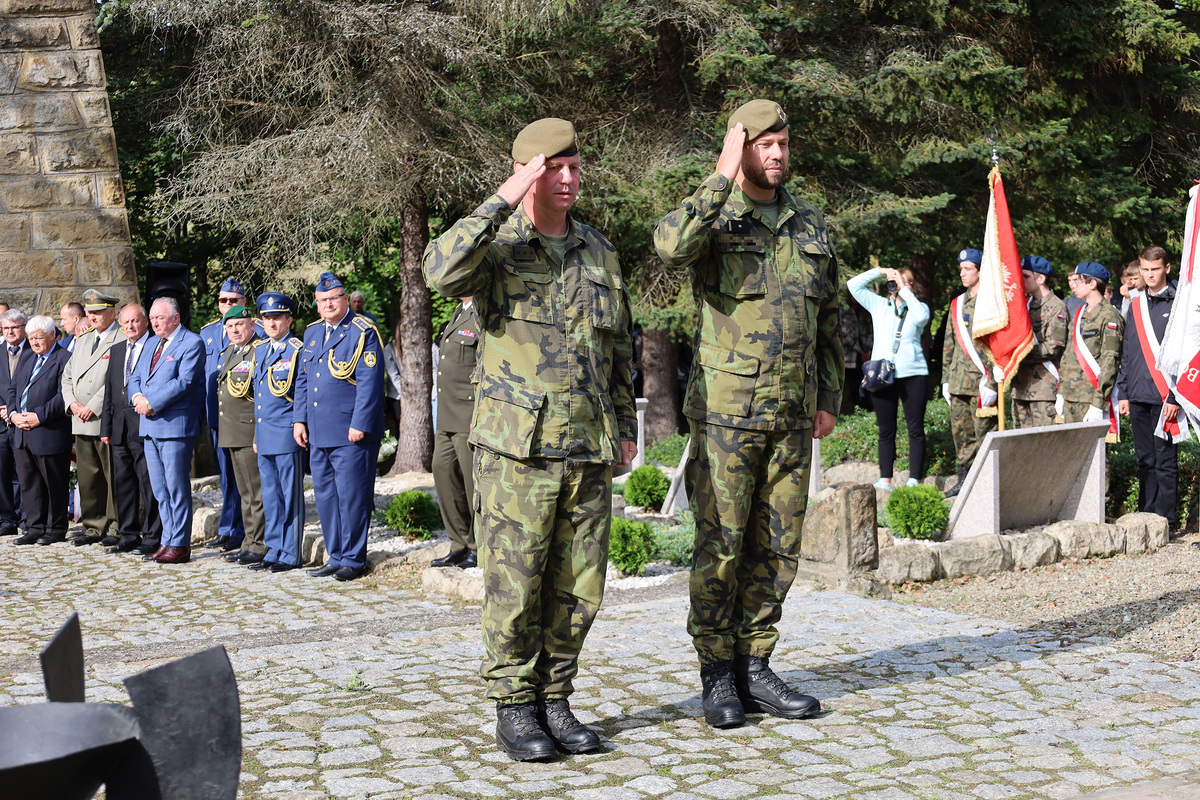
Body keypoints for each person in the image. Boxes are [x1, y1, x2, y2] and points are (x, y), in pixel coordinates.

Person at [424, 117, 637, 761]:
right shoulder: (496, 249)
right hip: (517, 448)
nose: (568, 179)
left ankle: (556, 698)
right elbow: (440, 271)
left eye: (574, 166)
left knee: (580, 584)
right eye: (553, 169)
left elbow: (618, 350)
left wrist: (624, 429)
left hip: (587, 446)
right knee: (515, 584)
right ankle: (515, 706)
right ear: (528, 174)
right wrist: (506, 195)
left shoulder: (598, 251)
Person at [654, 100, 842, 730]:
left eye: (784, 144)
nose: (778, 155)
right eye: (765, 145)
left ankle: (756, 665)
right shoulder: (715, 219)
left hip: (791, 415)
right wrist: (719, 175)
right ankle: (716, 675)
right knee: (723, 545)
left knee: (779, 547)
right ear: (741, 148)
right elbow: (669, 245)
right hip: (728, 416)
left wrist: (828, 399)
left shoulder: (808, 226)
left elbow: (830, 323)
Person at [292, 272, 384, 582]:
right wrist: (299, 419)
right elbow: (304, 381)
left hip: (350, 431)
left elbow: (370, 383)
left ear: (345, 300)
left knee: (352, 495)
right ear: (316, 305)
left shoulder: (362, 331)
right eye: (322, 301)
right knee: (326, 496)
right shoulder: (312, 333)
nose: (328, 304)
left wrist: (360, 423)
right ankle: (335, 554)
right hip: (319, 430)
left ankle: (354, 559)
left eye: (334, 298)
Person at [129, 297, 206, 564]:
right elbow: (136, 376)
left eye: (159, 318)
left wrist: (151, 402)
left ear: (175, 318)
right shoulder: (151, 342)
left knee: (176, 488)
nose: (154, 322)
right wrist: (137, 397)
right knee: (160, 490)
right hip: (150, 427)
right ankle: (167, 540)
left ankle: (181, 544)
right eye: (151, 318)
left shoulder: (192, 343)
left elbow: (184, 382)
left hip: (175, 427)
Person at [848, 265, 930, 489]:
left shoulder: (918, 307)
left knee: (915, 428)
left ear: (911, 286)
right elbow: (852, 285)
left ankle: (915, 478)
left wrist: (905, 290)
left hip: (914, 374)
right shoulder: (879, 305)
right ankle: (885, 478)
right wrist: (880, 271)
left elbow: (922, 318)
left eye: (905, 281)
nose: (899, 284)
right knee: (885, 430)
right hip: (882, 374)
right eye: (896, 281)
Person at [1117, 246, 1180, 528]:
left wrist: (1176, 395)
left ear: (1167, 268)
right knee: (1145, 460)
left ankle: (1166, 519)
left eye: (1155, 269)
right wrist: (1124, 393)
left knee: (1165, 461)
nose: (1150, 274)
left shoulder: (1181, 302)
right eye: (1145, 269)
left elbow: (1187, 355)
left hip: (1166, 395)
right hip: (1139, 394)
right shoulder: (1136, 304)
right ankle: (1147, 516)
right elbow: (1127, 351)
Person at [199, 278, 262, 553]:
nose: (227, 305)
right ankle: (229, 527)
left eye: (233, 301)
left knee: (248, 482)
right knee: (227, 477)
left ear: (244, 304)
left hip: (244, 422)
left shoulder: (256, 335)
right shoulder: (209, 333)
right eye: (223, 301)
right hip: (218, 418)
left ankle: (245, 533)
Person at [60, 290, 123, 547]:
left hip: (103, 417)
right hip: (80, 417)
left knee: (111, 475)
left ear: (112, 312)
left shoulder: (120, 337)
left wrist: (93, 405)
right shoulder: (84, 340)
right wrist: (72, 403)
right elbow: (67, 376)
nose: (92, 317)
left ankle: (116, 526)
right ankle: (93, 526)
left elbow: (117, 378)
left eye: (98, 312)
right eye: (90, 312)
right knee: (88, 476)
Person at [100, 304, 162, 555]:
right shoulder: (116, 350)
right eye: (126, 323)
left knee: (148, 482)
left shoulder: (156, 346)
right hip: (119, 428)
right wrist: (106, 427)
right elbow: (110, 392)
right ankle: (128, 533)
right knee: (123, 482)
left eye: (135, 321)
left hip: (145, 425)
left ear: (145, 322)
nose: (130, 327)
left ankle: (152, 534)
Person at [252, 292, 306, 572]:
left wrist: (300, 423)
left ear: (289, 319)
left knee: (290, 495)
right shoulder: (260, 350)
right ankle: (273, 547)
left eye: (276, 317)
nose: (271, 323)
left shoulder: (297, 350)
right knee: (270, 495)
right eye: (267, 318)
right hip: (264, 433)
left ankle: (290, 552)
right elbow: (259, 397)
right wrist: (255, 435)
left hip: (286, 433)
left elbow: (302, 392)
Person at [7, 316, 71, 546]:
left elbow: (64, 395)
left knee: (53, 482)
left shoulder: (63, 358)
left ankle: (55, 528)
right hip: (22, 431)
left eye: (39, 338)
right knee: (29, 482)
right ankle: (34, 527)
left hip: (48, 431)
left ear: (52, 335)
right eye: (31, 338)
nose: (34, 342)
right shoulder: (26, 357)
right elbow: (13, 389)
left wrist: (39, 416)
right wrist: (13, 414)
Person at [942, 249, 998, 498]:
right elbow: (949, 344)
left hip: (981, 382)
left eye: (968, 269)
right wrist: (945, 379)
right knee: (960, 434)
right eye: (961, 268)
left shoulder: (991, 303)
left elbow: (999, 345)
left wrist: (994, 384)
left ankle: (986, 485)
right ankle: (963, 482)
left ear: (980, 271)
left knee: (984, 434)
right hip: (958, 382)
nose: (962, 273)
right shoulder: (957, 303)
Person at [430, 297, 481, 569]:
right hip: (447, 414)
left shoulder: (483, 310)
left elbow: (487, 367)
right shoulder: (459, 312)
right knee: (443, 472)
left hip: (468, 413)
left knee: (472, 485)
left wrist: (481, 413)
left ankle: (476, 546)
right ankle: (458, 543)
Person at [216, 305, 268, 567]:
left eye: (239, 325)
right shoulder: (229, 352)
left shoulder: (258, 350)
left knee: (254, 492)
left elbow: (260, 396)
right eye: (229, 326)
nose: (234, 330)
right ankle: (249, 541)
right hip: (232, 431)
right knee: (244, 491)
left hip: (247, 430)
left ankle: (259, 544)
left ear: (252, 325)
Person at [1059, 262, 1123, 435]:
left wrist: (1098, 402)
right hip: (1070, 396)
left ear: (1092, 284)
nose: (1073, 284)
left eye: (1078, 280)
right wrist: (1061, 392)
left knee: (1095, 456)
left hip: (1090, 397)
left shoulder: (1109, 316)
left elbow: (1110, 361)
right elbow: (1068, 356)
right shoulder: (1080, 313)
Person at [1010, 256, 1068, 429]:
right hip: (1020, 387)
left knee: (1044, 444)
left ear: (1041, 279)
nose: (1020, 280)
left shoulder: (1057, 307)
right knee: (1021, 444)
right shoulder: (1023, 306)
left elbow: (1053, 347)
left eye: (1026, 276)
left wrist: (1018, 354)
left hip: (1043, 388)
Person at [0, 309, 32, 537]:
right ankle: (6, 519)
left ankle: (27, 518)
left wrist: (15, 411)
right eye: (6, 328)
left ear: (24, 328)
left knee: (25, 473)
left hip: (24, 420)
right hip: (1, 424)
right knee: (2, 473)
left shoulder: (34, 351)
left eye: (15, 327)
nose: (10, 332)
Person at [383, 320, 402, 440]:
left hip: (412, 395)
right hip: (396, 395)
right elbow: (393, 374)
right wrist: (406, 393)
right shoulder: (390, 348)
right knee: (399, 423)